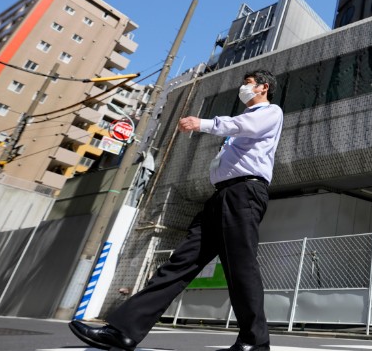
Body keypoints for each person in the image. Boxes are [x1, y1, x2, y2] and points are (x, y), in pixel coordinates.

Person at [70, 70, 283, 351]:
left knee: (241, 266)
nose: (242, 89)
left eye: (247, 84)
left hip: (245, 192)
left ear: (263, 87)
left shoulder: (270, 112)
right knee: (180, 262)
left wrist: (201, 123)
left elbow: (243, 126)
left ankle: (255, 342)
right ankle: (123, 331)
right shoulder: (245, 121)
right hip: (223, 196)